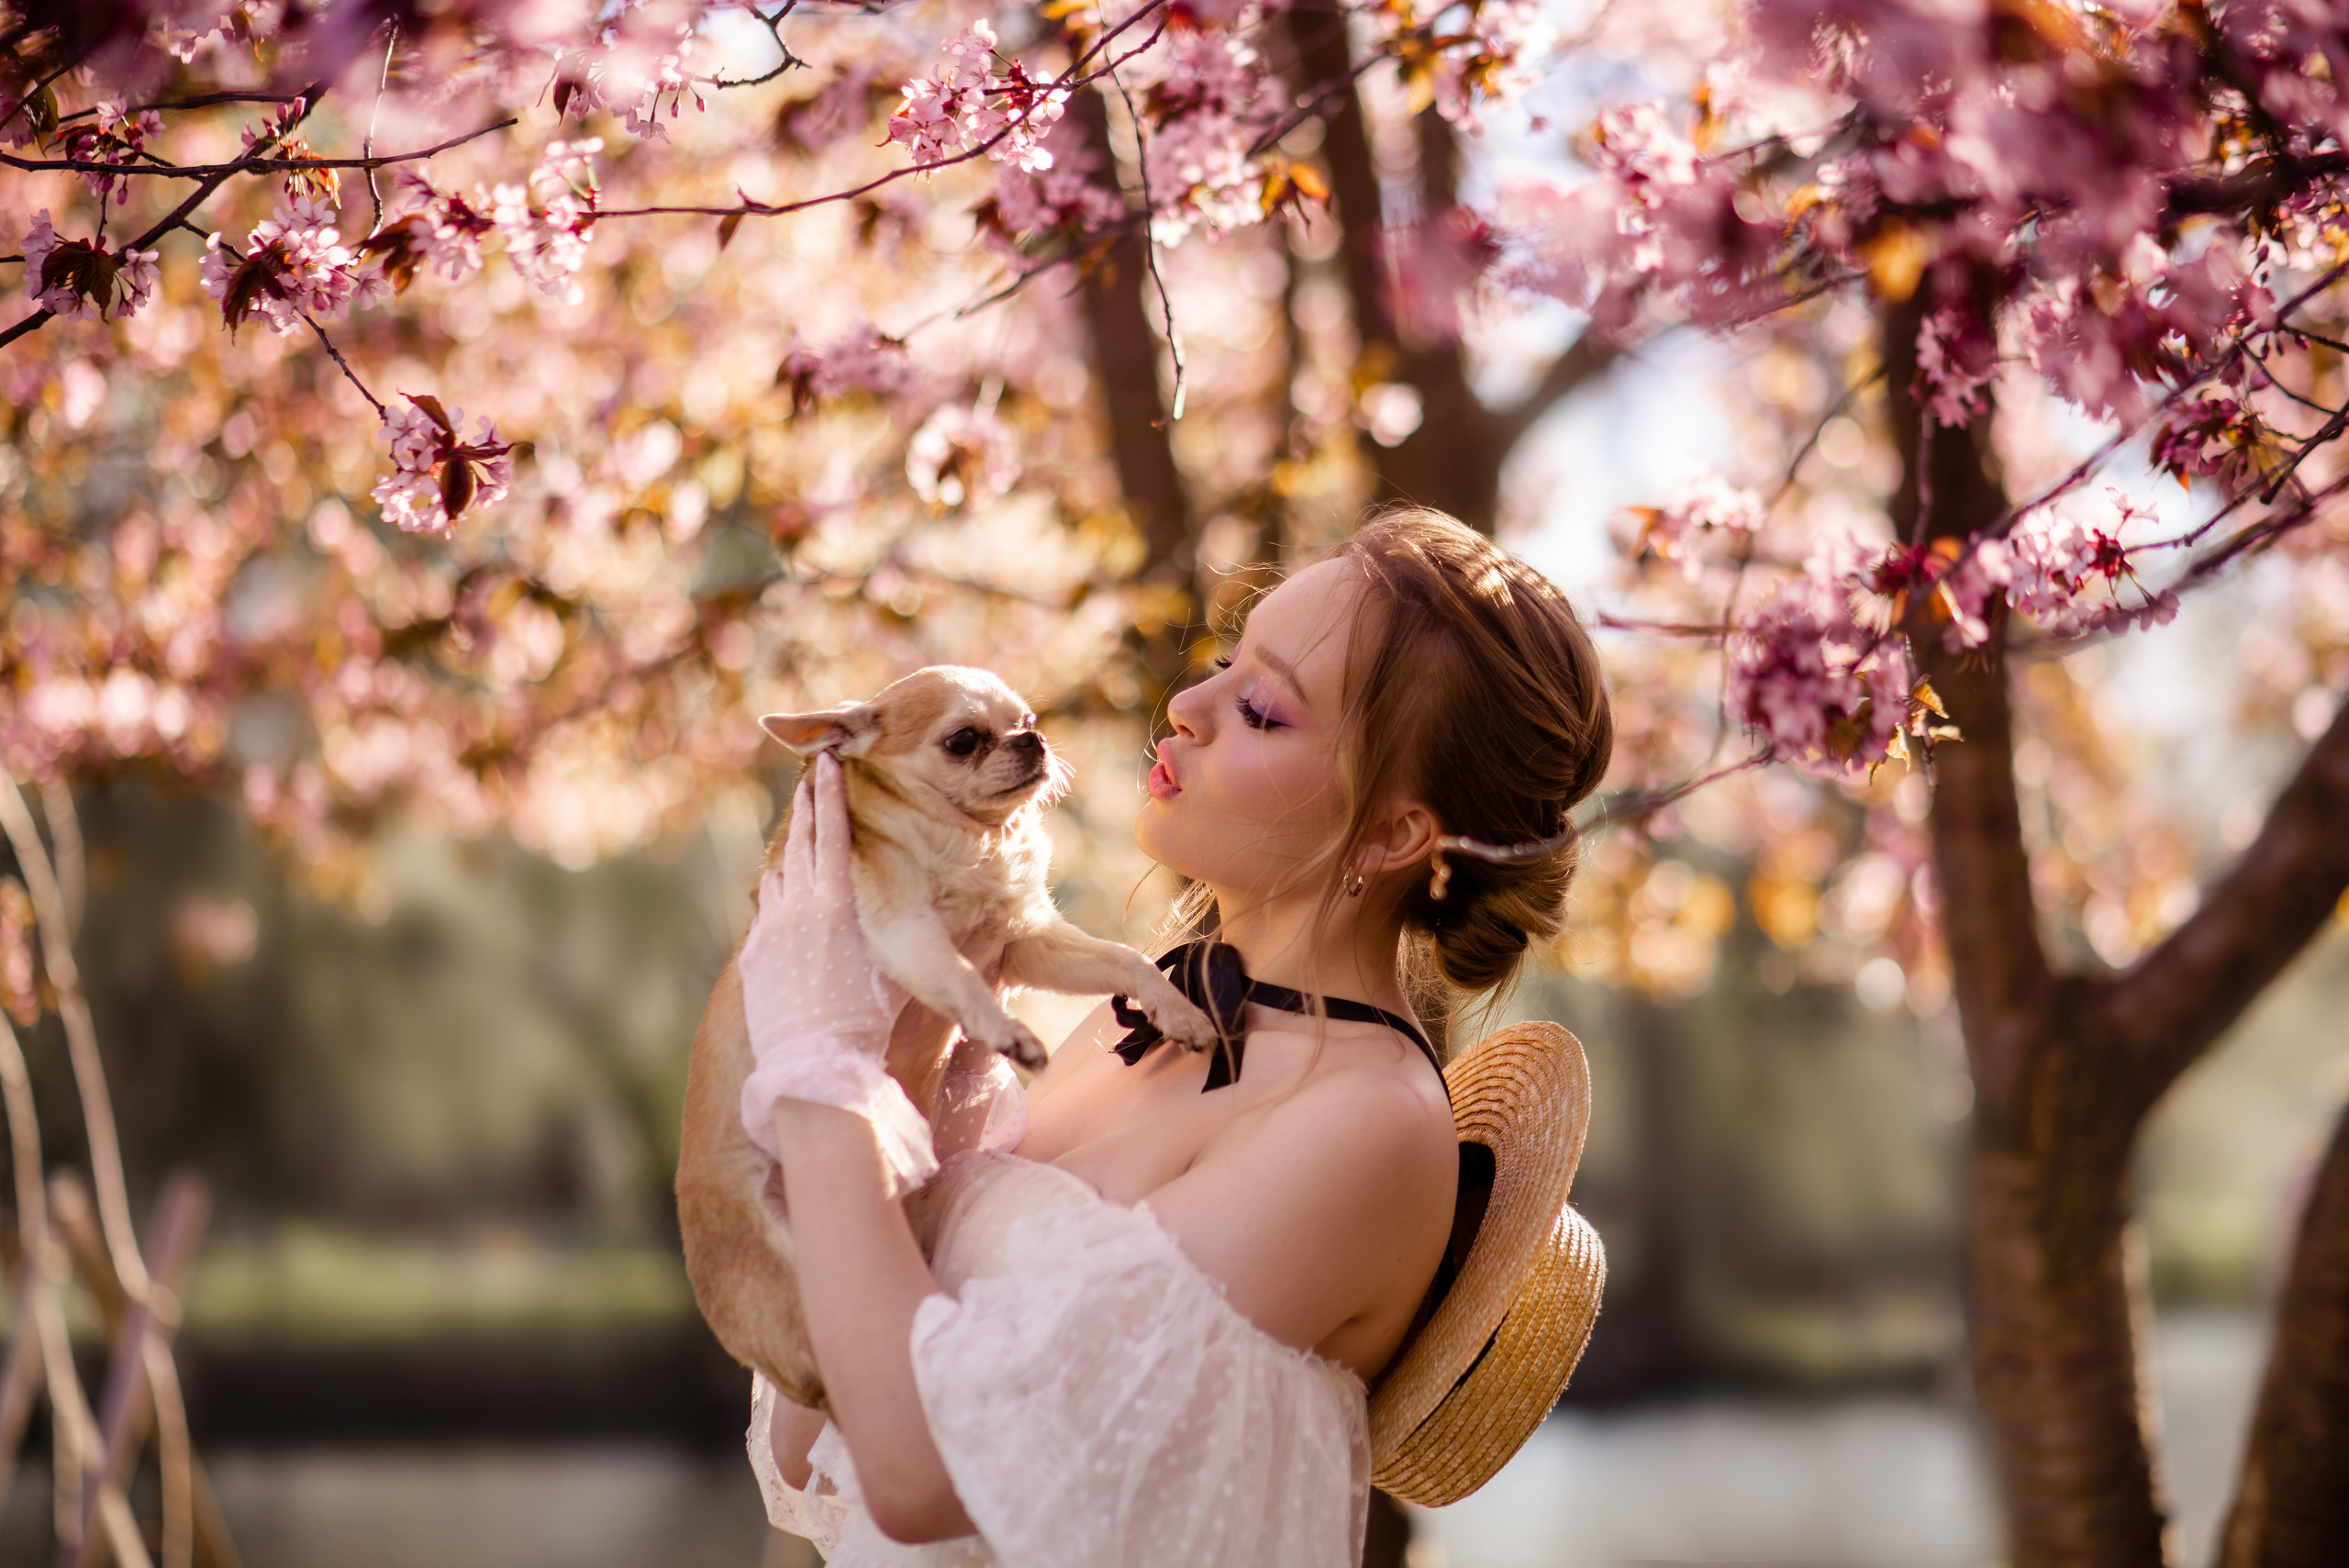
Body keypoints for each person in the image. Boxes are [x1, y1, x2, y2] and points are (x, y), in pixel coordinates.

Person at [739, 508, 1613, 1566]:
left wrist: (824, 1073)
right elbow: (810, 1434)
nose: (1185, 707)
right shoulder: (1117, 1021)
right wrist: (901, 1054)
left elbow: (926, 1473)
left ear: (1393, 832)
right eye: (1222, 662)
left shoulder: (1364, 1122)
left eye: (1257, 705)